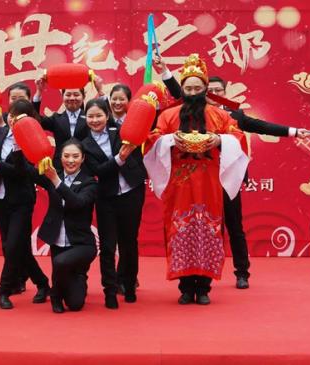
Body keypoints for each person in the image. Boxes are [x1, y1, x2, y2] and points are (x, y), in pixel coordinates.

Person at [154, 55, 309, 289]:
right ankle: (186, 283)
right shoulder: (177, 113)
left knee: (231, 225)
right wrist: (164, 71)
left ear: (218, 91)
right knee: (187, 227)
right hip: (186, 183)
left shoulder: (229, 114)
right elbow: (180, 92)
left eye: (212, 89)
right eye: (196, 88)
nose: (201, 92)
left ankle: (241, 272)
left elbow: (261, 126)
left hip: (223, 180)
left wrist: (294, 131)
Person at [144, 53, 248, 305]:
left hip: (209, 184)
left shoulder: (219, 116)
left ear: (204, 89)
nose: (192, 92)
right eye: (188, 88)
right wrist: (170, 139)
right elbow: (152, 139)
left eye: (197, 87)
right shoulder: (169, 115)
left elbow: (239, 137)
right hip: (179, 185)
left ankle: (204, 287)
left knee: (207, 231)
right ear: (183, 90)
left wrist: (219, 139)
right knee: (180, 231)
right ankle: (184, 286)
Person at [0, 99, 50, 310]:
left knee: (12, 247)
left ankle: (4, 290)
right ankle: (43, 283)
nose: (14, 119)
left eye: (21, 116)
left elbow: (22, 172)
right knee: (15, 247)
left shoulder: (33, 140)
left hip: (21, 200)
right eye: (12, 114)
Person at [82, 98, 147, 309]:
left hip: (131, 192)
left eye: (98, 115)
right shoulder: (84, 145)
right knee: (108, 247)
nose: (95, 120)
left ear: (107, 116)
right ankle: (109, 291)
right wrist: (119, 158)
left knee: (130, 242)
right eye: (90, 116)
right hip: (106, 198)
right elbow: (98, 171)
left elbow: (136, 155)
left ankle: (129, 286)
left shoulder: (121, 133)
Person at [36, 139, 98, 313]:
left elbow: (77, 203)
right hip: (57, 238)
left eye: (75, 156)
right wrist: (19, 148)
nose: (70, 160)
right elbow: (25, 171)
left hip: (82, 244)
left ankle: (58, 291)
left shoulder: (89, 183)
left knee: (75, 304)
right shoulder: (51, 176)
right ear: (60, 157)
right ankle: (59, 293)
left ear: (83, 158)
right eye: (66, 156)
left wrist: (56, 180)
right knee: (61, 268)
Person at [32, 76, 104, 168]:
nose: (72, 98)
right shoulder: (56, 119)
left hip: (86, 167)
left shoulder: (90, 118)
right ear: (62, 96)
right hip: (60, 167)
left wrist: (100, 92)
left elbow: (106, 118)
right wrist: (39, 92)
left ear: (83, 96)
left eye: (76, 95)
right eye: (68, 95)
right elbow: (35, 120)